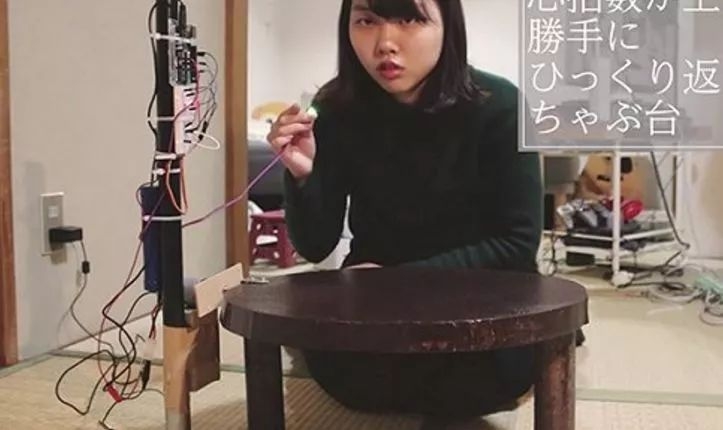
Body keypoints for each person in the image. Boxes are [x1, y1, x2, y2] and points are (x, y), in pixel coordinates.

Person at [266, 0, 547, 425]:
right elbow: (316, 245)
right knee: (351, 374)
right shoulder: (338, 107)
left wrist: (396, 281)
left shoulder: (499, 105)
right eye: (367, 20)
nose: (385, 42)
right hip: (375, 307)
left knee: (481, 380)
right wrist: (303, 176)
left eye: (410, 18)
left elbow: (517, 243)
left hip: (482, 298)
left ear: (448, 25)